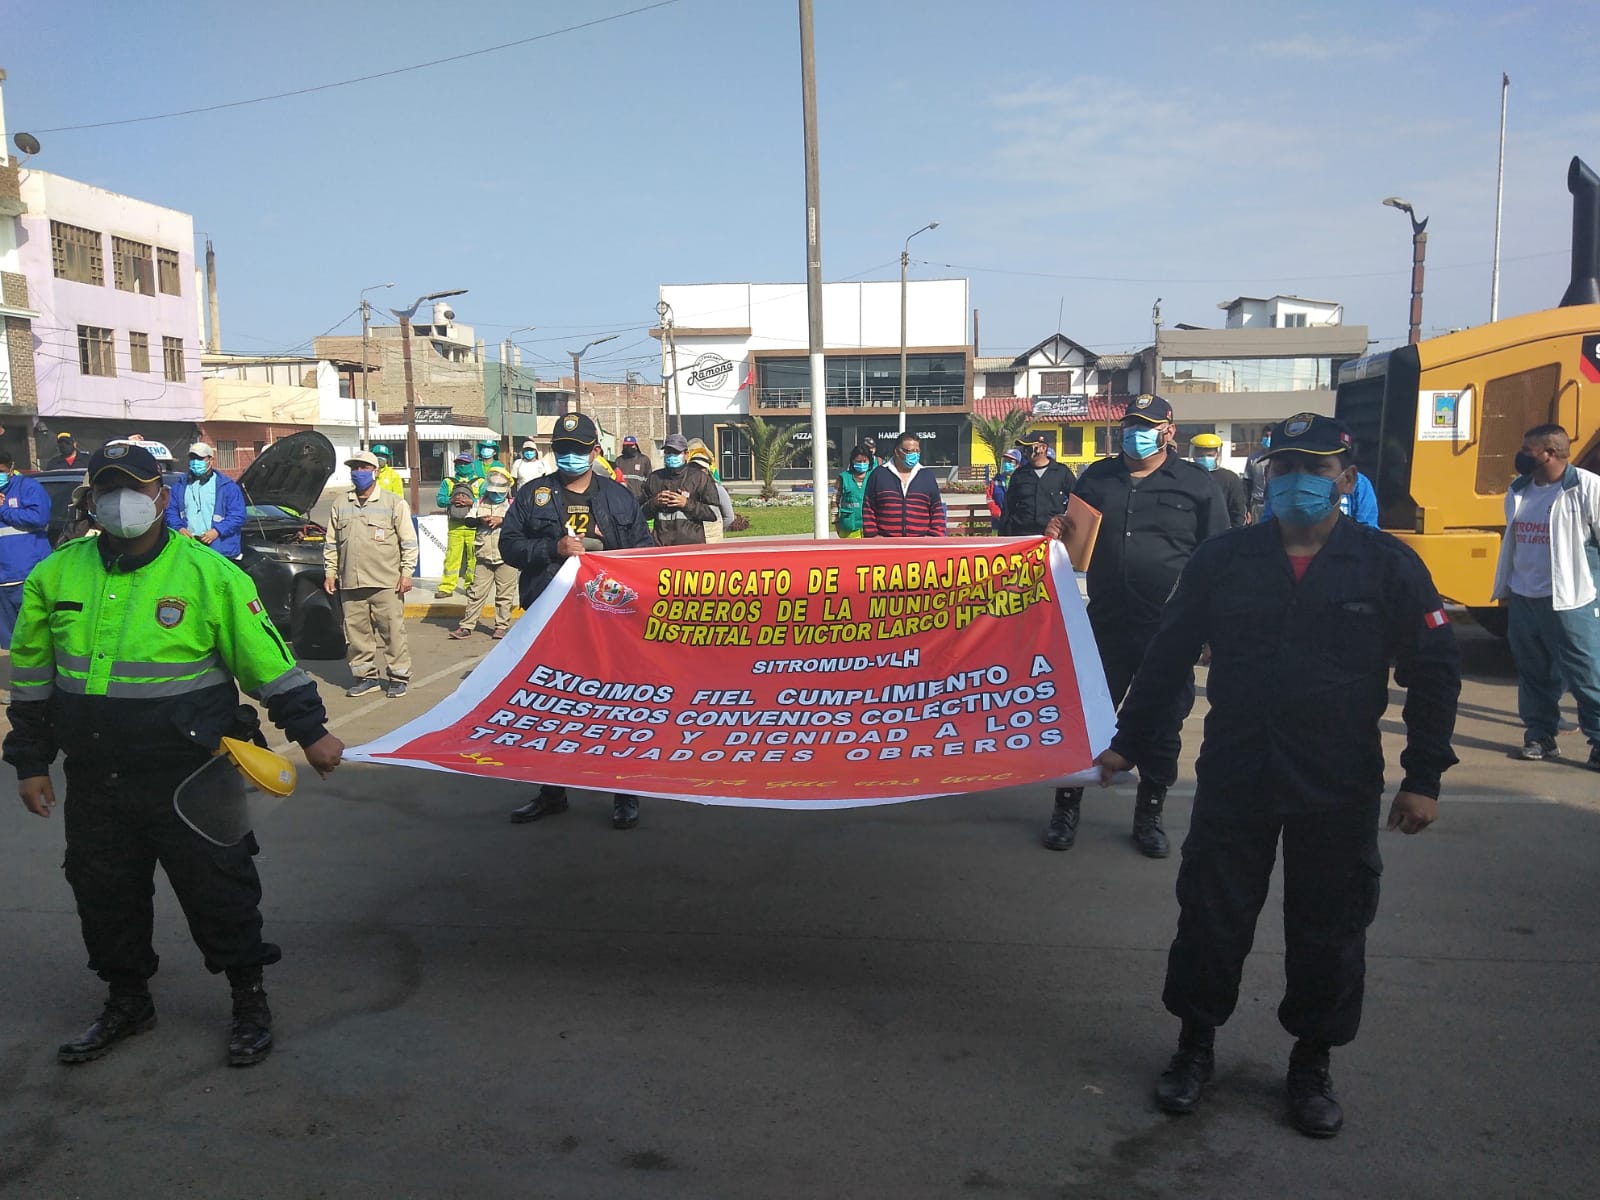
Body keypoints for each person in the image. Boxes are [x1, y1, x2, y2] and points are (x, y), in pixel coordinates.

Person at [1093, 412, 1459, 1138]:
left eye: (1316, 472)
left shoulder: (1387, 564)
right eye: (1285, 469)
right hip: (1237, 771)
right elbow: (1169, 655)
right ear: (1266, 477)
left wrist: (1424, 776)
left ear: (1345, 481)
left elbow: (1437, 670)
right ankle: (1195, 1047)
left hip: (1338, 778)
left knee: (1331, 926)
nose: (1299, 483)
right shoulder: (1225, 560)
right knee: (1211, 916)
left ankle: (1312, 1062)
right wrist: (1129, 741)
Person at [4, 442, 344, 1068]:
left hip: (194, 773)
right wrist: (29, 760)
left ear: (162, 494)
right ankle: (127, 1001)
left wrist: (309, 732)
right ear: (91, 497)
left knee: (222, 891)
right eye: (107, 488)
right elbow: (32, 676)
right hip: (98, 773)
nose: (121, 501)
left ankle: (248, 1000)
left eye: (134, 487)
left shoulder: (210, 574)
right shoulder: (57, 573)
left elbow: (267, 661)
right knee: (104, 895)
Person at [1043, 394, 1228, 857]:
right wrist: (1056, 531)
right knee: (1086, 721)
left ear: (1168, 429)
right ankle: (1066, 808)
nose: (1134, 432)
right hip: (1103, 624)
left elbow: (1221, 560)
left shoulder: (1196, 484)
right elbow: (1072, 536)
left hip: (1169, 632)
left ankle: (1150, 814)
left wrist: (1214, 631)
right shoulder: (1098, 477)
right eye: (1129, 424)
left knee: (1162, 726)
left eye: (1145, 425)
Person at [500, 412, 654, 830]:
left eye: (578, 450)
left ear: (595, 452)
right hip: (550, 614)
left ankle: (625, 792)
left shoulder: (620, 498)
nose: (569, 456)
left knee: (617, 707)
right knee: (551, 707)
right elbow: (509, 545)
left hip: (607, 618)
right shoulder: (533, 495)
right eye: (562, 450)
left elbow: (644, 552)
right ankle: (552, 791)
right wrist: (553, 548)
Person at [1491, 423, 1600, 767]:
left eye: (1528, 450)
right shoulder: (1519, 489)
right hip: (1524, 597)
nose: (1521, 456)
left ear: (1550, 454)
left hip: (1570, 599)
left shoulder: (1587, 487)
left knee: (1587, 674)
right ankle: (1540, 736)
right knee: (1534, 673)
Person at [324, 450, 417, 699]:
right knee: (356, 634)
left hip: (385, 580)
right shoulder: (341, 503)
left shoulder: (393, 503)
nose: (358, 473)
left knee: (392, 632)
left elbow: (408, 542)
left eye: (364, 468)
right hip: (350, 581)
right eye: (354, 468)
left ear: (375, 471)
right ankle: (366, 677)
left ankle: (398, 677)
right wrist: (330, 572)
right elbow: (331, 543)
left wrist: (406, 573)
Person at [450, 465, 518, 641]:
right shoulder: (480, 502)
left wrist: (502, 521)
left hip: (507, 558)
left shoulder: (513, 505)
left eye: (499, 491)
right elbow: (468, 520)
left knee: (505, 595)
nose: (495, 494)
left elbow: (521, 524)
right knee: (475, 594)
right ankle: (466, 626)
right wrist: (481, 520)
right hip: (483, 557)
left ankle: (501, 627)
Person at [0, 449, 52, 648]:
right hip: (2, 584)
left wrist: (3, 510)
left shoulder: (27, 487)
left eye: (1, 470)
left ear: (11, 468)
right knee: (9, 646)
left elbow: (39, 518)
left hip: (27, 578)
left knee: (35, 640)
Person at [165, 442, 247, 559]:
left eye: (200, 458)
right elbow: (171, 511)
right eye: (192, 458)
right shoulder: (180, 485)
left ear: (211, 460)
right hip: (189, 547)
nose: (195, 462)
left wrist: (217, 531)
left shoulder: (228, 486)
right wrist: (179, 528)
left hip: (220, 550)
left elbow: (238, 515)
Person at [640, 433, 722, 546]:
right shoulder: (654, 478)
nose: (671, 456)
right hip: (661, 546)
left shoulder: (699, 478)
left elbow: (714, 514)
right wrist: (654, 503)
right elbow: (639, 513)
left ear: (686, 454)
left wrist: (687, 504)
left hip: (691, 546)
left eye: (676, 452)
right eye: (668, 452)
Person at [862, 433, 946, 537]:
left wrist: (934, 536)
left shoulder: (927, 476)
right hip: (886, 544)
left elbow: (936, 509)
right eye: (910, 451)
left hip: (921, 545)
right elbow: (868, 508)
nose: (914, 455)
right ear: (897, 451)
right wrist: (873, 536)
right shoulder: (879, 475)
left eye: (917, 451)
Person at [998, 434, 1076, 536]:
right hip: (1022, 534)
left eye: (1029, 448)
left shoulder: (1062, 472)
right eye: (1024, 448)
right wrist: (1003, 535)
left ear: (1043, 448)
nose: (1025, 452)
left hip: (1051, 537)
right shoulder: (1019, 474)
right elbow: (1008, 507)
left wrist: (1064, 520)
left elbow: (1077, 501)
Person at [1264, 464, 1379, 528]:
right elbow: (1267, 523)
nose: (1299, 480)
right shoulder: (1277, 488)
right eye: (1284, 467)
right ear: (1267, 473)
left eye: (1316, 467)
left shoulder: (1360, 484)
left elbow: (1368, 526)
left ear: (1348, 479)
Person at [435, 452, 482, 597]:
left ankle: (471, 585)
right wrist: (451, 500)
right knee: (452, 558)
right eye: (459, 463)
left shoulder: (480, 482)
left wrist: (471, 502)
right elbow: (440, 499)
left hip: (474, 526)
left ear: (471, 465)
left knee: (473, 558)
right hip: (454, 526)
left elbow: (486, 501)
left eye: (465, 463)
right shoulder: (448, 482)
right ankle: (446, 587)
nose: (462, 466)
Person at [1190, 433, 1248, 528]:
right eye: (1200, 455)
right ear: (1194, 455)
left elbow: (1238, 509)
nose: (1205, 458)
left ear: (1217, 455)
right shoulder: (1186, 476)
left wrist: (1234, 533)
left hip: (1222, 531)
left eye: (1210, 455)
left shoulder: (1230, 478)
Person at [687, 441, 735, 542]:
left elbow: (729, 517)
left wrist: (716, 530)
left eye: (700, 468)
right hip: (690, 538)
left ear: (707, 470)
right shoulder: (684, 488)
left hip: (711, 539)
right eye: (693, 468)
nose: (697, 472)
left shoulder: (718, 489)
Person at [836, 444, 874, 538]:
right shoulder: (844, 477)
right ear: (852, 461)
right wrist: (835, 521)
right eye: (858, 461)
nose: (861, 464)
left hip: (870, 525)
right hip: (848, 526)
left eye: (864, 461)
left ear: (869, 461)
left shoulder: (874, 476)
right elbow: (835, 500)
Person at [985, 449, 1022, 533]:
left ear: (1017, 465)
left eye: (1010, 461)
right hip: (997, 522)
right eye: (1005, 461)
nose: (1006, 464)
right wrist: (997, 512)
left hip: (1016, 523)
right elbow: (990, 498)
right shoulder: (995, 481)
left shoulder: (1021, 480)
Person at [1243, 431, 1271, 524]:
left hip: (1277, 504)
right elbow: (1247, 484)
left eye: (1271, 436)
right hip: (1258, 504)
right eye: (1266, 436)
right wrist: (1247, 508)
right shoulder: (1253, 458)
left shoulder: (1282, 457)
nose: (1268, 439)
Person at [617, 434, 652, 498]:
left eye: (631, 445)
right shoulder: (619, 461)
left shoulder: (644, 459)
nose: (629, 447)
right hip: (622, 496)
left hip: (639, 496)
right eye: (626, 445)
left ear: (636, 446)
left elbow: (649, 479)